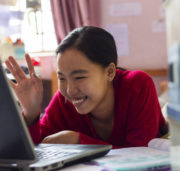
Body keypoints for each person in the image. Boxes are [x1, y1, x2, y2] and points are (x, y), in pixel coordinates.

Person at [5, 26, 167, 149]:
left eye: (79, 77)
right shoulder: (64, 100)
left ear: (110, 72)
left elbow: (141, 153)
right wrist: (31, 113)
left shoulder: (137, 85)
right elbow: (37, 149)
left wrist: (80, 141)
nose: (69, 90)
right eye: (62, 77)